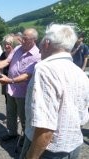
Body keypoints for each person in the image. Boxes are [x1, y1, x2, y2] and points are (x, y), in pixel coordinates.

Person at [20, 24, 89, 159]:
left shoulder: (45, 69)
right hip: (73, 146)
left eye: (41, 44)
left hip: (48, 150)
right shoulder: (80, 73)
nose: (39, 50)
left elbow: (45, 128)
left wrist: (32, 156)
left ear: (47, 43)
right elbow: (82, 118)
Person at [0, 28, 41, 144]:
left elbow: (27, 75)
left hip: (23, 92)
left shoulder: (37, 55)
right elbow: (7, 61)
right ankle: (12, 133)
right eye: (22, 37)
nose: (22, 40)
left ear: (34, 40)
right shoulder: (18, 48)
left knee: (23, 117)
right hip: (11, 88)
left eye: (25, 39)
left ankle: (26, 138)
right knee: (10, 113)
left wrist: (9, 80)